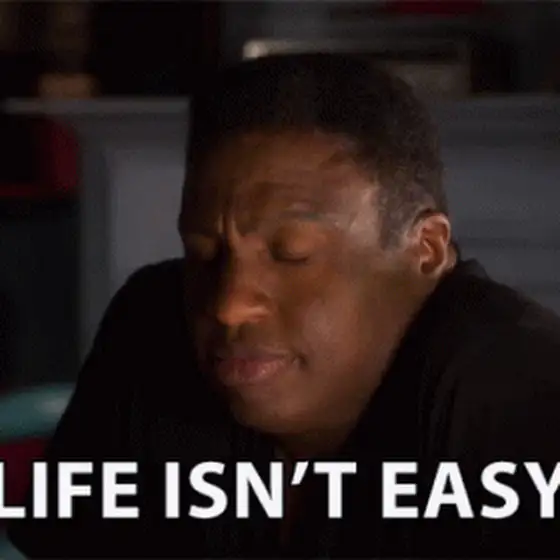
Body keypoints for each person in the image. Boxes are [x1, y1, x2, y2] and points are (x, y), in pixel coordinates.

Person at [7, 53, 560, 558]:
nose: (228, 306)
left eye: (292, 254)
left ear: (426, 250)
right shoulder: (152, 323)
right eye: (203, 252)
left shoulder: (516, 385)